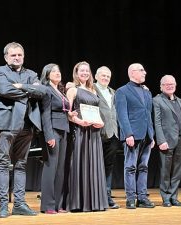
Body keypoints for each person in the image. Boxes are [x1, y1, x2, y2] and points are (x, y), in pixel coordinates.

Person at [0, 42, 46, 218]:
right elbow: (4, 90)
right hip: (6, 123)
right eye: (13, 55)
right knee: (3, 163)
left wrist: (21, 87)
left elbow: (42, 91)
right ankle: (3, 206)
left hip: (27, 124)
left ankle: (20, 204)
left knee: (21, 164)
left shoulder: (32, 74)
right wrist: (29, 90)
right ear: (6, 57)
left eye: (19, 55)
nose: (17, 58)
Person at [65, 61, 108, 212]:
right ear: (76, 73)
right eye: (81, 71)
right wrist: (78, 121)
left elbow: (97, 111)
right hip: (81, 131)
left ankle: (95, 202)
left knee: (94, 165)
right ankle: (79, 202)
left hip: (94, 132)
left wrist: (101, 123)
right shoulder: (73, 90)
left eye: (87, 71)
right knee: (81, 163)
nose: (84, 73)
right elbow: (68, 114)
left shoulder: (93, 90)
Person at [115, 63, 155, 209]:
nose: (145, 72)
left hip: (146, 135)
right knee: (130, 167)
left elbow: (148, 114)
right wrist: (128, 134)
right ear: (132, 72)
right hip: (132, 135)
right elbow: (122, 115)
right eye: (141, 70)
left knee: (144, 167)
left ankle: (143, 198)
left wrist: (152, 135)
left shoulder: (147, 92)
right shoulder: (122, 91)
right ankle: (130, 198)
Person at [39, 63, 76, 214]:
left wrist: (70, 114)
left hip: (64, 130)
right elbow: (45, 114)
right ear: (47, 74)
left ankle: (58, 204)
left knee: (61, 169)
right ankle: (48, 205)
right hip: (53, 130)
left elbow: (64, 109)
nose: (57, 73)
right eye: (53, 71)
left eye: (58, 71)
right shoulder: (47, 90)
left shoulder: (59, 91)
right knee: (51, 168)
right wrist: (49, 135)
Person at [153, 75, 181, 207]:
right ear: (161, 86)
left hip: (179, 140)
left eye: (172, 84)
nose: (169, 86)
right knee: (165, 171)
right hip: (166, 141)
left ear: (175, 85)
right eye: (166, 84)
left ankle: (174, 197)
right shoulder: (157, 100)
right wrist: (161, 140)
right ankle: (166, 197)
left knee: (177, 170)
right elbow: (157, 122)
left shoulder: (179, 100)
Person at [93, 66, 121, 209]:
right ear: (96, 76)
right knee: (94, 166)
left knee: (108, 166)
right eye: (103, 75)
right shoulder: (91, 89)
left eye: (108, 76)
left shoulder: (113, 92)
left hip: (113, 134)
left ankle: (107, 196)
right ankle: (94, 196)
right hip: (96, 134)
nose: (105, 78)